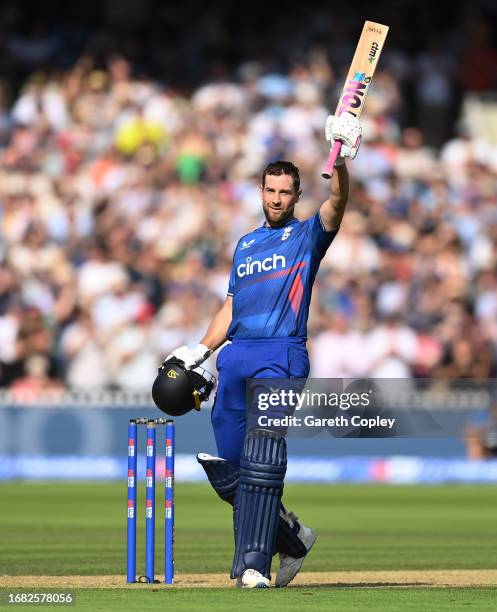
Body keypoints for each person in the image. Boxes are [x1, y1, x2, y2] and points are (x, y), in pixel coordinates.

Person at [167, 113, 361, 587]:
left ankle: (253, 565)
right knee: (234, 471)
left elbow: (338, 201)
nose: (277, 199)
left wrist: (339, 159)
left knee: (261, 456)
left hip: (282, 354)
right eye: (270, 191)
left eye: (285, 192)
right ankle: (291, 539)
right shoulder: (246, 245)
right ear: (261, 192)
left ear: (296, 196)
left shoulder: (308, 236)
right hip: (234, 357)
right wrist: (199, 350)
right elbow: (230, 307)